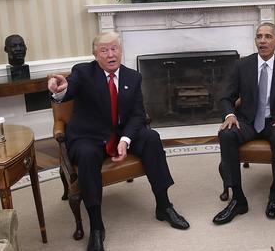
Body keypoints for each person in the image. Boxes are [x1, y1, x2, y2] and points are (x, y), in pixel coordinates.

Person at [47, 32, 189, 251]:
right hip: (90, 135)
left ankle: (164, 205)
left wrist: (125, 140)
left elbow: (138, 115)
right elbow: (68, 90)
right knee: (86, 154)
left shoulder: (133, 77)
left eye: (114, 49)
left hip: (120, 132)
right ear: (95, 54)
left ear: (121, 51)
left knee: (151, 137)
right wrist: (60, 90)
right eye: (104, 50)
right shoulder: (83, 72)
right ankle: (96, 226)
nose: (111, 54)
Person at [213, 22, 275, 225]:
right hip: (247, 120)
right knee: (226, 134)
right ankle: (238, 199)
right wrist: (229, 116)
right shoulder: (241, 65)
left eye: (268, 36)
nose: (262, 40)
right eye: (259, 36)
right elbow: (226, 97)